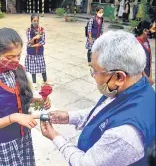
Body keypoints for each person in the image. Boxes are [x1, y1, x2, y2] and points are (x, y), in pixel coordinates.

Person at [40, 30, 155, 165]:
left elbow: (85, 163)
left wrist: (55, 136)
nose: (93, 75)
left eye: (95, 71)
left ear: (119, 77)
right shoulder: (135, 86)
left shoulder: (124, 134)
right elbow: (105, 111)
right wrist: (69, 117)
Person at [0, 28, 51, 166]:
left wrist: (40, 101)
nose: (15, 61)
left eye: (19, 56)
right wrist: (14, 117)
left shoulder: (17, 70)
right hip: (4, 143)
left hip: (23, 137)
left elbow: (22, 99)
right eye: (10, 57)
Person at [25, 14, 49, 89]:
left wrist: (32, 45)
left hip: (39, 52)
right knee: (33, 68)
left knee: (42, 67)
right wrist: (35, 37)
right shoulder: (29, 30)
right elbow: (29, 42)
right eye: (34, 21)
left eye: (37, 21)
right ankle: (34, 83)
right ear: (31, 21)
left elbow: (43, 42)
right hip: (31, 53)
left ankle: (45, 81)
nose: (36, 22)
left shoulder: (41, 30)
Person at [134, 20, 156, 85]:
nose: (153, 31)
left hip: (146, 78)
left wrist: (150, 77)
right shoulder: (136, 43)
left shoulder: (147, 42)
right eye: (152, 29)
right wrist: (147, 78)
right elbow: (137, 65)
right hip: (138, 79)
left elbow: (150, 61)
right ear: (145, 31)